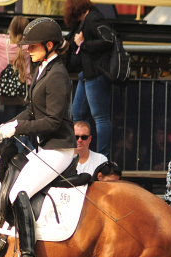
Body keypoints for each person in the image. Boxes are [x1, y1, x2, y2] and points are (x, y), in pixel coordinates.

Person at [0, 18, 75, 257]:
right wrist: (9, 123)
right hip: (44, 148)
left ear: (49, 45)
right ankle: (16, 251)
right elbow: (31, 109)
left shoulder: (58, 74)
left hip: (58, 149)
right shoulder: (43, 68)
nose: (27, 49)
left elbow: (51, 121)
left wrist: (17, 130)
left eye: (33, 45)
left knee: (19, 192)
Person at [64, 0, 114, 156]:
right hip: (86, 74)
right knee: (77, 114)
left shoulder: (93, 19)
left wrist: (83, 44)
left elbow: (108, 40)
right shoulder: (84, 22)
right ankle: (78, 153)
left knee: (100, 116)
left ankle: (102, 156)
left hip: (96, 73)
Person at [0, 15, 32, 122]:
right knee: (24, 122)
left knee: (10, 121)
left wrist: (4, 36)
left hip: (6, 90)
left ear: (11, 29)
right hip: (25, 87)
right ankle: (22, 139)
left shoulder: (1, 43)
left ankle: (10, 139)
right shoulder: (29, 46)